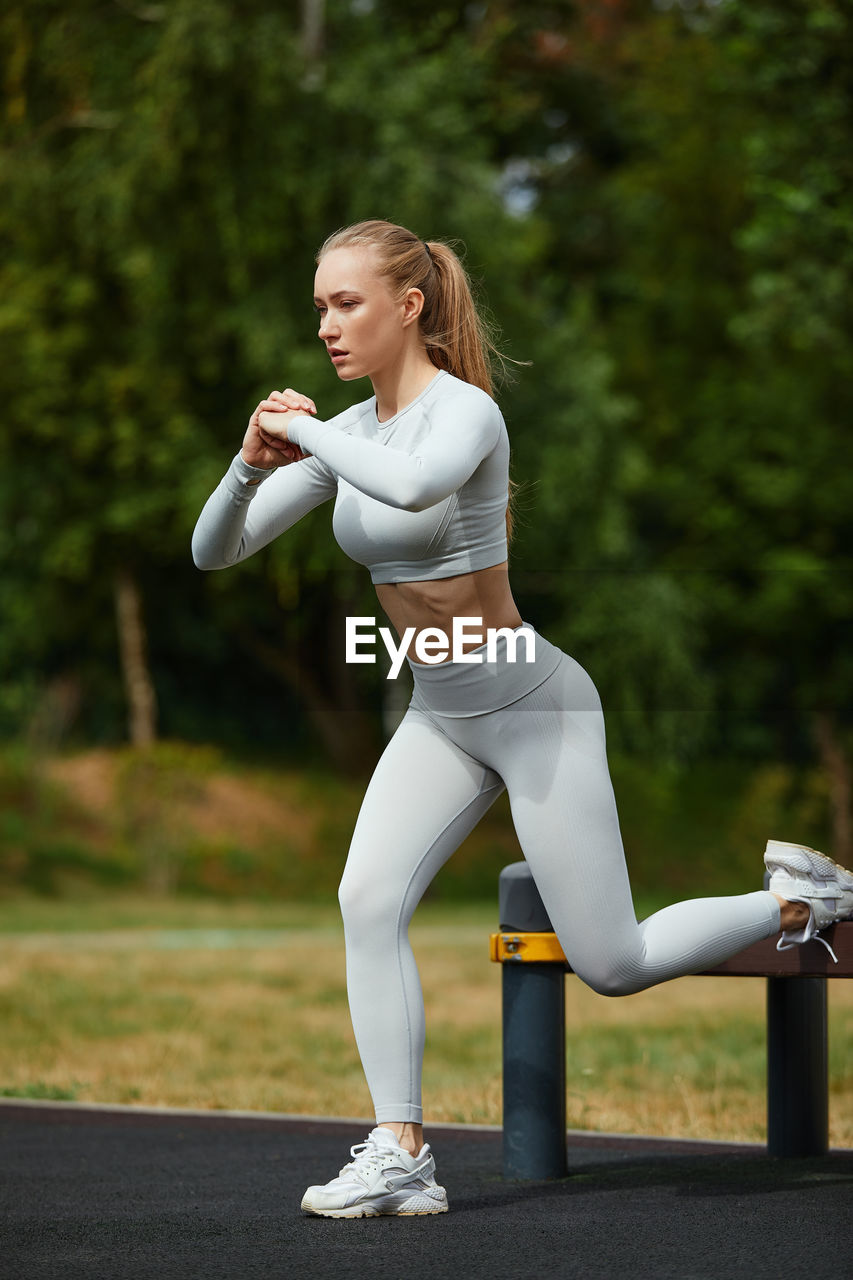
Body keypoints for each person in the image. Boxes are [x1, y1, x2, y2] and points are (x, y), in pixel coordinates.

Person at [192, 218, 853, 1219]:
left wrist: (311, 433)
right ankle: (401, 1146)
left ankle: (799, 900)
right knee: (366, 900)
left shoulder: (463, 417)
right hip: (440, 712)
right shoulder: (349, 436)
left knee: (612, 961)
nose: (325, 324)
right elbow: (214, 548)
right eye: (319, 305)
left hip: (531, 703)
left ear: (408, 307)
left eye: (345, 302)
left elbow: (412, 485)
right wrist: (248, 460)